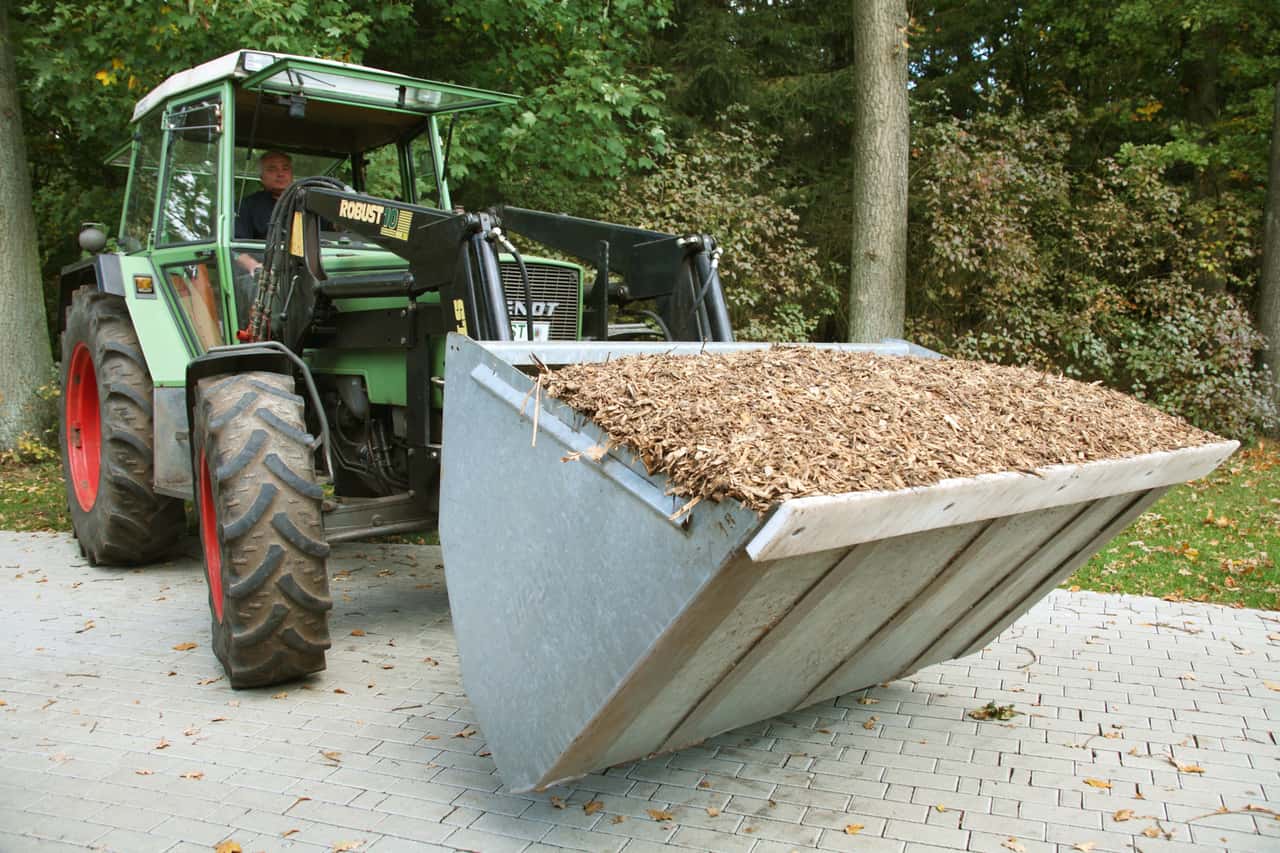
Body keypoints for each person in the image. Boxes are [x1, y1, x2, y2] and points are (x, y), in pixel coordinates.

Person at [235, 150, 293, 239]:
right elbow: (240, 246)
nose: (280, 174)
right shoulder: (248, 205)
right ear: (261, 177)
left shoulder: (307, 203)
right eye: (272, 169)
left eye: (285, 169)